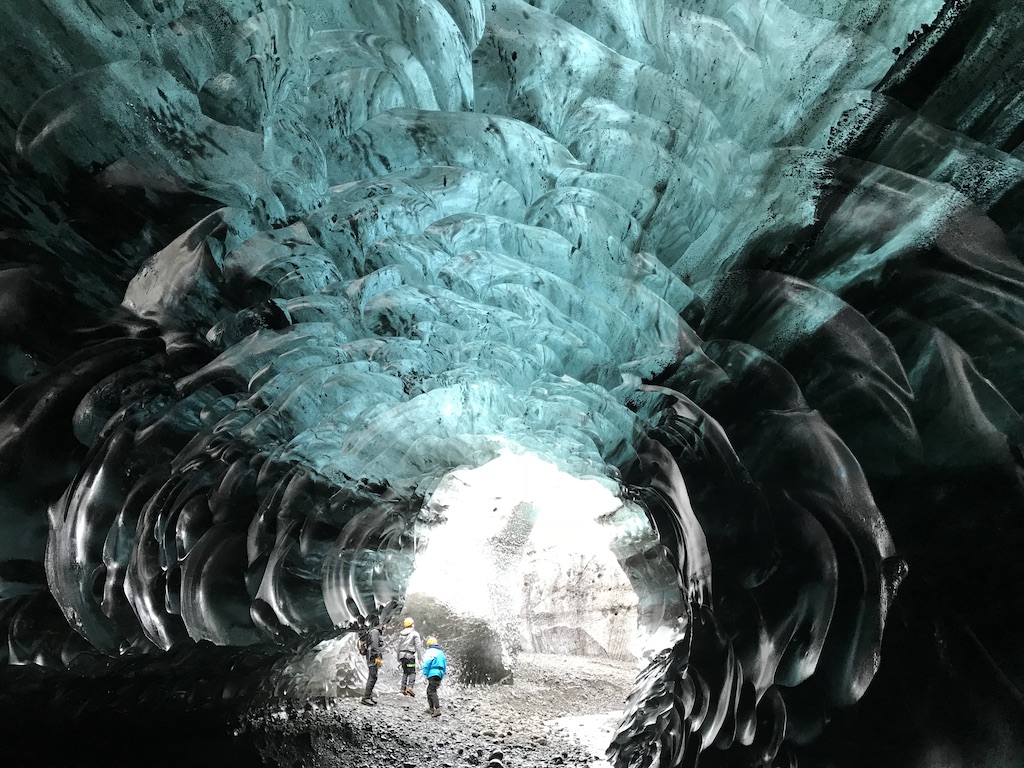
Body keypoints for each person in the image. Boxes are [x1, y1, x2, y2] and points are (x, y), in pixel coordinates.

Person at [360, 617, 386, 706]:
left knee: (373, 676)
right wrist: (376, 657)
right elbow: (374, 646)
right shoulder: (375, 632)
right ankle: (366, 697)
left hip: (373, 657)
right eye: (384, 624)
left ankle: (369, 696)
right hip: (373, 658)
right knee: (372, 677)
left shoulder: (374, 631)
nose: (385, 626)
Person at [396, 617, 423, 696]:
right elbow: (418, 646)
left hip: (402, 656)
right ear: (412, 625)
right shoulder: (415, 634)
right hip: (410, 656)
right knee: (412, 672)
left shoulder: (401, 634)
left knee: (405, 672)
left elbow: (398, 647)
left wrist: (398, 657)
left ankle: (402, 689)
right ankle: (410, 687)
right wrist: (420, 658)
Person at [421, 636, 447, 716]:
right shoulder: (441, 653)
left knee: (431, 691)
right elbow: (445, 665)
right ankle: (431, 708)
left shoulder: (430, 651)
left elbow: (427, 663)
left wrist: (425, 672)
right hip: (439, 673)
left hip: (432, 672)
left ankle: (436, 709)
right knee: (430, 690)